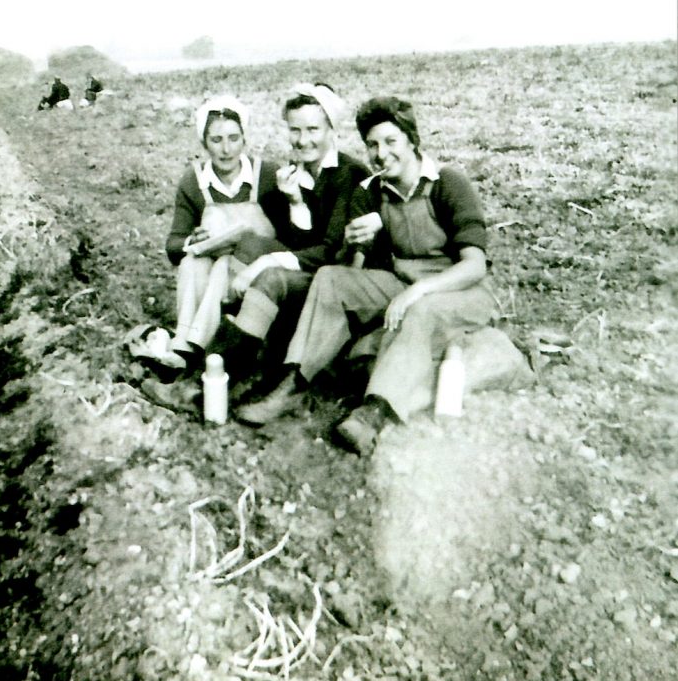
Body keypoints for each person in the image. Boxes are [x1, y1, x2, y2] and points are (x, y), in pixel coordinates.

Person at [238, 96, 499, 452]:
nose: (381, 153)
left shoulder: (447, 183)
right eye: (372, 144)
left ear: (411, 139)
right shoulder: (371, 191)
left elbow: (474, 265)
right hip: (402, 281)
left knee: (418, 311)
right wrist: (351, 243)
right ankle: (294, 384)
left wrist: (418, 292)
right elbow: (351, 270)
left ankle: (373, 413)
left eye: (391, 141)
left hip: (460, 288)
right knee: (331, 277)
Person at [209, 83, 369, 405]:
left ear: (331, 129)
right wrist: (294, 201)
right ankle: (237, 354)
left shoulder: (349, 175)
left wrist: (268, 262)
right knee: (251, 245)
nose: (303, 139)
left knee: (268, 271)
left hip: (335, 281)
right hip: (309, 269)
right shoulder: (298, 172)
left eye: (313, 129)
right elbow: (293, 241)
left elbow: (330, 252)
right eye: (295, 130)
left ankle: (226, 372)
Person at [140, 95, 280, 410]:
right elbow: (173, 246)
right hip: (211, 276)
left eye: (233, 138)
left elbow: (286, 235)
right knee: (193, 261)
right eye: (216, 140)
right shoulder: (195, 181)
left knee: (223, 265)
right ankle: (185, 347)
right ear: (204, 143)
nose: (226, 148)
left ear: (245, 138)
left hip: (253, 271)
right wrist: (193, 239)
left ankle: (192, 348)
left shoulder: (267, 175)